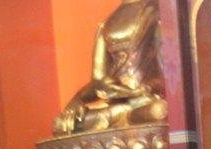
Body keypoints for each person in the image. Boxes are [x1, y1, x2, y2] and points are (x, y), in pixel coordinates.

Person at [53, 0, 167, 136]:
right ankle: (120, 119)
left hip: (144, 102)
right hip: (115, 105)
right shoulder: (106, 24)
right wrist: (76, 100)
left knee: (158, 111)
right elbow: (97, 82)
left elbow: (171, 76)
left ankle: (120, 119)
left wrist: (146, 88)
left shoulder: (156, 11)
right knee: (60, 124)